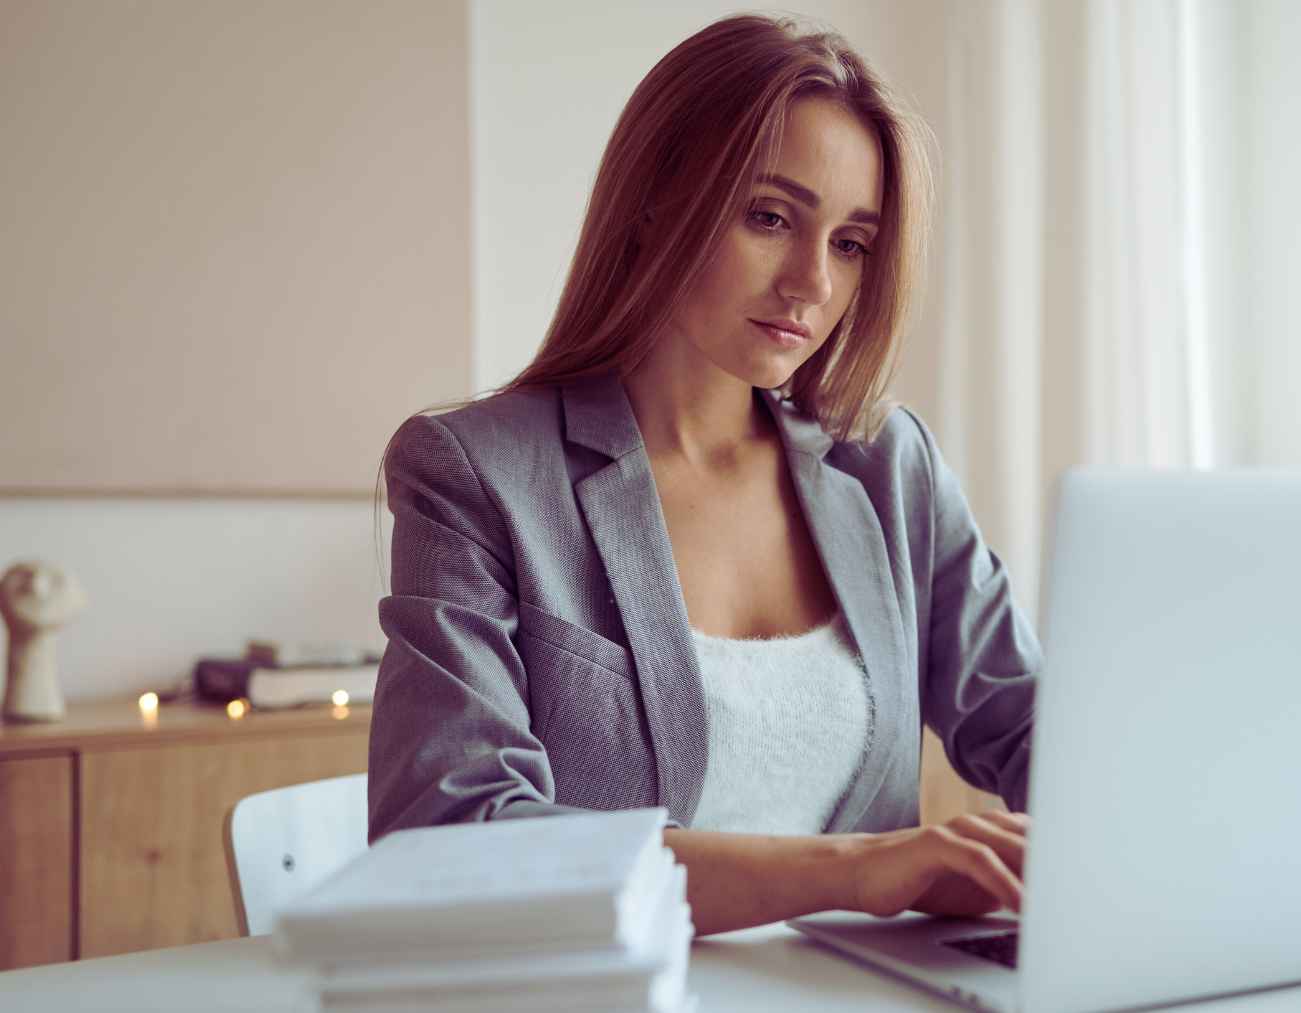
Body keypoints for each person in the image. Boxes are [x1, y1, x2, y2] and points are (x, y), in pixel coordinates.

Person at [369, 13, 1039, 937]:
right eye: (770, 217)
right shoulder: (478, 473)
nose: (812, 282)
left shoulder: (889, 467)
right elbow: (450, 837)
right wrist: (852, 870)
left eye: (851, 243)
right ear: (654, 205)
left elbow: (1038, 730)